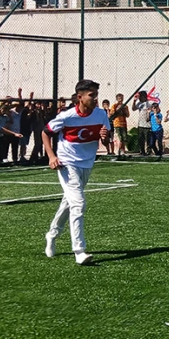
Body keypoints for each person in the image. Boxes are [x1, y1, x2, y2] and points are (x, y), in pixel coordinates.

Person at [43, 79, 110, 266]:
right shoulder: (67, 116)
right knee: (79, 204)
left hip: (87, 164)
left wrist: (105, 138)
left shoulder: (101, 115)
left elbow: (105, 142)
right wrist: (51, 156)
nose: (95, 98)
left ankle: (52, 234)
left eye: (96, 94)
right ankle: (79, 251)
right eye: (91, 95)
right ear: (79, 97)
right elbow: (45, 133)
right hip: (67, 164)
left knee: (69, 202)